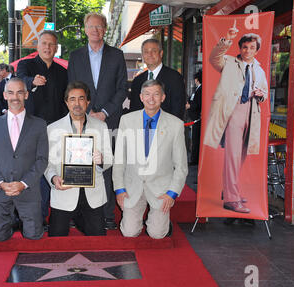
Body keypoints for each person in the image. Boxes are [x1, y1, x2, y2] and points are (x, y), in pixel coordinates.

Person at [67, 12, 128, 230]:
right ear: (85, 29)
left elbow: (122, 89)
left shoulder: (117, 55)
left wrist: (104, 112)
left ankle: (108, 214)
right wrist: (84, 112)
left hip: (109, 120)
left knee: (107, 165)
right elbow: (72, 88)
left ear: (105, 29)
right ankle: (79, 212)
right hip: (82, 120)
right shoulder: (75, 56)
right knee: (81, 164)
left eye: (99, 27)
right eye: (91, 27)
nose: (95, 30)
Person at [203, 25, 268, 215]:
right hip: (233, 111)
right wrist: (227, 39)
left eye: (252, 48)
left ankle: (230, 190)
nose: (248, 51)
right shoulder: (229, 62)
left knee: (242, 156)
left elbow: (263, 93)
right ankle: (232, 199)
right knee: (232, 156)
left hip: (252, 112)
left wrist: (261, 94)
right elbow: (213, 58)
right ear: (240, 48)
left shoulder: (259, 69)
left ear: (257, 50)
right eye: (245, 47)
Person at [113, 80, 188, 239]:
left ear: (163, 97)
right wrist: (119, 189)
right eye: (147, 94)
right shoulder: (127, 121)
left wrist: (172, 193)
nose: (151, 98)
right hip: (133, 185)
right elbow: (119, 158)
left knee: (157, 234)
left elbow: (181, 166)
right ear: (141, 97)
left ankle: (162, 225)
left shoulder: (175, 125)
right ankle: (139, 221)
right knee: (129, 232)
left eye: (156, 94)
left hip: (161, 189)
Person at [0, 77, 48, 241]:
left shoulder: (39, 124)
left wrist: (23, 184)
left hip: (28, 190)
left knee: (33, 237)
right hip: (1, 190)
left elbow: (42, 159)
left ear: (26, 95)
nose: (15, 97)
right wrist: (1, 183)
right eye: (11, 92)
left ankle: (22, 222)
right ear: (4, 95)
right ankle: (13, 222)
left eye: (19, 92)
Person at [45, 81, 113, 236]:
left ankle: (82, 221)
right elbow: (47, 163)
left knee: (98, 241)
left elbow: (109, 159)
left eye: (81, 98)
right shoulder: (52, 129)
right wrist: (54, 178)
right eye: (72, 99)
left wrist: (102, 160)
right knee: (56, 241)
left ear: (88, 102)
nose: (77, 103)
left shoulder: (101, 127)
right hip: (63, 191)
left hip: (92, 193)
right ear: (66, 102)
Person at [16, 30, 69, 224]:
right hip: (32, 128)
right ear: (37, 46)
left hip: (57, 129)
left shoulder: (63, 72)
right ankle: (32, 215)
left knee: (53, 169)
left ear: (56, 48)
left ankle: (51, 212)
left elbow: (66, 100)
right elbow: (19, 81)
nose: (48, 47)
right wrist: (32, 82)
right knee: (33, 171)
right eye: (44, 43)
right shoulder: (26, 65)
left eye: (52, 44)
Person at [128, 38, 186, 121]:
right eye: (146, 52)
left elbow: (178, 109)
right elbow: (134, 109)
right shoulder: (137, 81)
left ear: (161, 53)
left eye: (154, 51)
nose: (150, 55)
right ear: (143, 55)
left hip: (165, 129)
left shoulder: (175, 77)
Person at [185, 70, 202, 165]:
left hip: (197, 118)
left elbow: (199, 103)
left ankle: (195, 160)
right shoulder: (197, 89)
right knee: (194, 138)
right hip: (194, 117)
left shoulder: (201, 90)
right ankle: (194, 158)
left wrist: (190, 106)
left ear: (197, 79)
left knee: (196, 139)